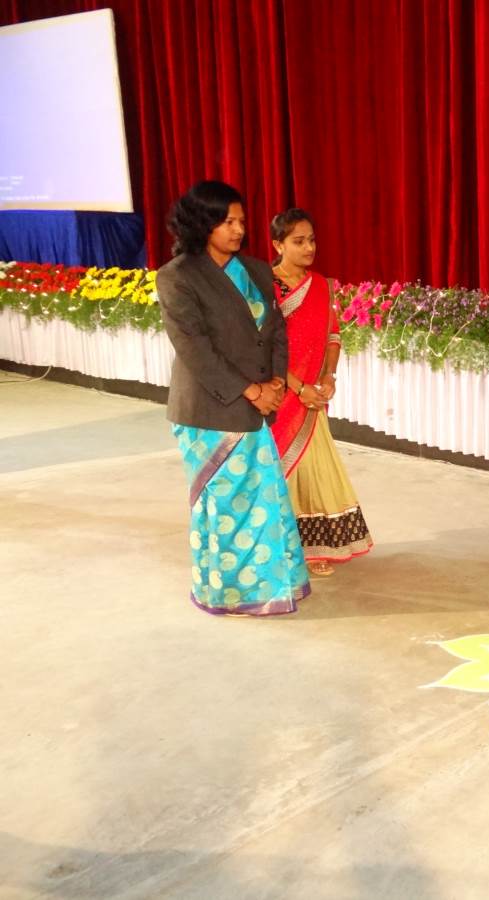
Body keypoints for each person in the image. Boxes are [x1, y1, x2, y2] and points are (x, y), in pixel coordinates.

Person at [157, 181, 311, 616]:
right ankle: (225, 593)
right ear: (202, 224)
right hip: (209, 409)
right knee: (225, 504)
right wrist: (251, 390)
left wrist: (276, 383)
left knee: (262, 501)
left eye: (241, 221)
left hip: (259, 405)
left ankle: (268, 588)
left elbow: (276, 333)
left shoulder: (258, 271)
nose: (238, 229)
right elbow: (195, 348)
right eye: (227, 222)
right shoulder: (178, 276)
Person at [268, 208, 373, 576]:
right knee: (283, 472)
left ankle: (314, 548)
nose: (309, 247)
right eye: (298, 241)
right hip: (281, 395)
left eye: (311, 240)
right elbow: (262, 348)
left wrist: (329, 377)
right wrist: (298, 388)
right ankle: (278, 549)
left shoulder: (322, 285)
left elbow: (332, 336)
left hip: (314, 398)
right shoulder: (268, 287)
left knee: (314, 472)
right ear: (278, 245)